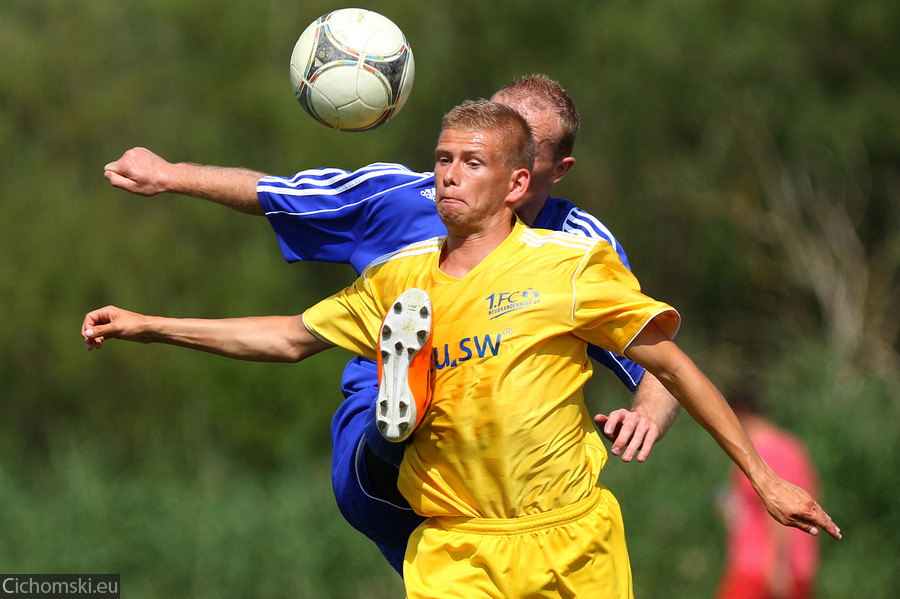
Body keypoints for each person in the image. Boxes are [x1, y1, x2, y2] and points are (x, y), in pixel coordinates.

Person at [84, 99, 840, 598]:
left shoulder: (572, 263)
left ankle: (404, 413)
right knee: (383, 429)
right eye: (442, 159)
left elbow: (670, 361)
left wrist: (764, 478)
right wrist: (153, 324)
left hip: (571, 537)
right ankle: (396, 422)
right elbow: (288, 335)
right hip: (454, 543)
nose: (446, 174)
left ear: (522, 180)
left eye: (469, 163)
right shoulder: (397, 276)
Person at [714, 385, 821, 599]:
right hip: (796, 565)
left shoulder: (764, 450)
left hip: (760, 567)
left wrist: (779, 566)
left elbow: (781, 508)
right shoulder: (793, 447)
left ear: (738, 413)